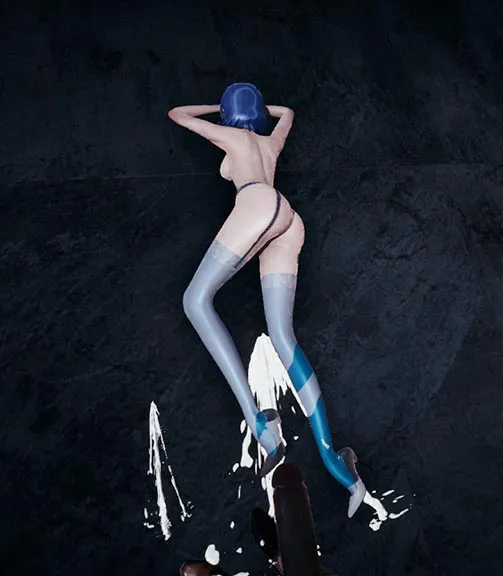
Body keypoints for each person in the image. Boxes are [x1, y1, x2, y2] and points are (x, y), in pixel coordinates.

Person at [168, 83, 366, 518]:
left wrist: (217, 109)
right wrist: (260, 110)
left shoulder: (232, 135)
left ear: (230, 112)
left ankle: (259, 421)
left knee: (195, 301)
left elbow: (177, 114)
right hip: (287, 219)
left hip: (257, 205)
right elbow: (288, 112)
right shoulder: (269, 141)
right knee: (282, 335)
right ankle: (338, 463)